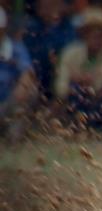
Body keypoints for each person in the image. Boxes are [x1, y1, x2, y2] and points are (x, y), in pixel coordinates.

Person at [21, 0, 76, 103]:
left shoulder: (69, 29)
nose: (46, 7)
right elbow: (25, 56)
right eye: (42, 4)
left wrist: (58, 61)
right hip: (36, 77)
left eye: (51, 4)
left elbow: (71, 56)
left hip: (61, 76)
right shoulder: (31, 28)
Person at [0, 9, 39, 141]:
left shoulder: (15, 48)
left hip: (7, 102)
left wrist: (22, 87)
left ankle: (13, 138)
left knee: (30, 91)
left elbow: (27, 72)